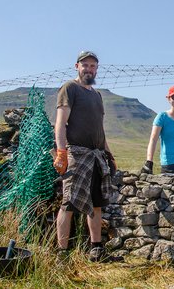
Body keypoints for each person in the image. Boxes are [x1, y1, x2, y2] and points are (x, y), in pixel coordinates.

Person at [53, 50, 117, 262]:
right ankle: (62, 253)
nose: (89, 69)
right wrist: (62, 152)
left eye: (93, 66)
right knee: (69, 202)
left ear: (96, 69)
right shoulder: (70, 88)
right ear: (77, 66)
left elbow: (99, 128)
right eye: (85, 65)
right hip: (77, 153)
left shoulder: (97, 95)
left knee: (96, 203)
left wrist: (109, 153)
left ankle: (96, 248)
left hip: (97, 155)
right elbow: (61, 123)